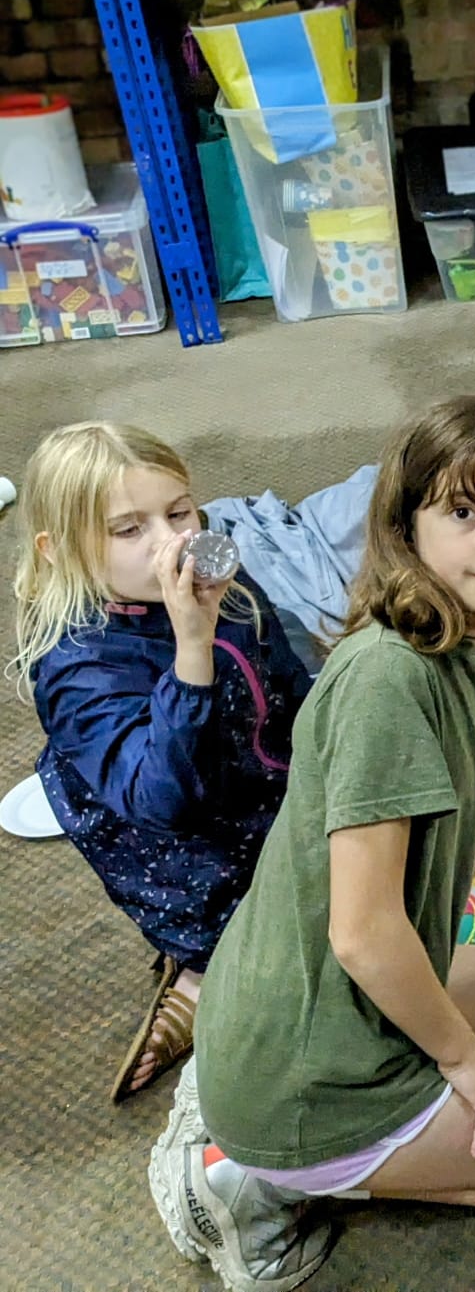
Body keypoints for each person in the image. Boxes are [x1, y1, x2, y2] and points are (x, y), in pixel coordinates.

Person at [149, 397, 475, 1290]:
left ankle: (413, 1131)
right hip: (305, 1059)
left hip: (367, 979)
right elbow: (363, 934)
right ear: (407, 528)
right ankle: (244, 1170)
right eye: (463, 512)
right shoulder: (386, 680)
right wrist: (468, 1056)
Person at [9, 422, 310, 1103]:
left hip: (265, 781)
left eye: (178, 512)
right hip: (179, 846)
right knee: (253, 960)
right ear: (59, 552)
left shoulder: (219, 585)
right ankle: (199, 979)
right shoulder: (78, 664)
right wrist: (191, 646)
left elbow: (289, 677)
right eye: (128, 529)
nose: (171, 540)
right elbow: (162, 800)